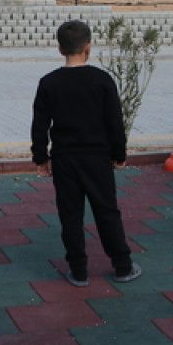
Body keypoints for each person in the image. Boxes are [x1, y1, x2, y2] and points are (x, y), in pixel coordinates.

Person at [31, 20, 141, 287]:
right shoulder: (102, 80)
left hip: (65, 158)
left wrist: (41, 157)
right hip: (97, 156)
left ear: (60, 49)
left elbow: (40, 124)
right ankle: (122, 265)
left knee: (70, 214)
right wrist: (119, 153)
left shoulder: (48, 83)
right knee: (107, 210)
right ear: (88, 48)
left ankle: (78, 270)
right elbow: (115, 122)